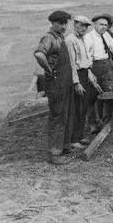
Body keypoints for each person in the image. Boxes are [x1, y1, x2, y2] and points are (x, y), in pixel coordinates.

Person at [34, 10, 74, 165]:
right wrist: (49, 70)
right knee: (57, 116)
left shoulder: (60, 37)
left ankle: (64, 146)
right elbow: (39, 54)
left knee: (66, 113)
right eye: (61, 23)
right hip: (56, 83)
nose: (64, 26)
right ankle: (54, 154)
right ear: (53, 23)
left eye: (65, 23)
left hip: (65, 82)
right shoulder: (48, 37)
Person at [65, 15, 103, 146]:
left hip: (84, 74)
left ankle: (79, 136)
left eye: (86, 26)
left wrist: (92, 80)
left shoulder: (81, 39)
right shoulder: (70, 40)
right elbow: (71, 64)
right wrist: (76, 83)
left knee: (83, 107)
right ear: (74, 25)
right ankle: (73, 139)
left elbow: (86, 64)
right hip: (76, 77)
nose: (84, 28)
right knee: (77, 108)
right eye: (81, 25)